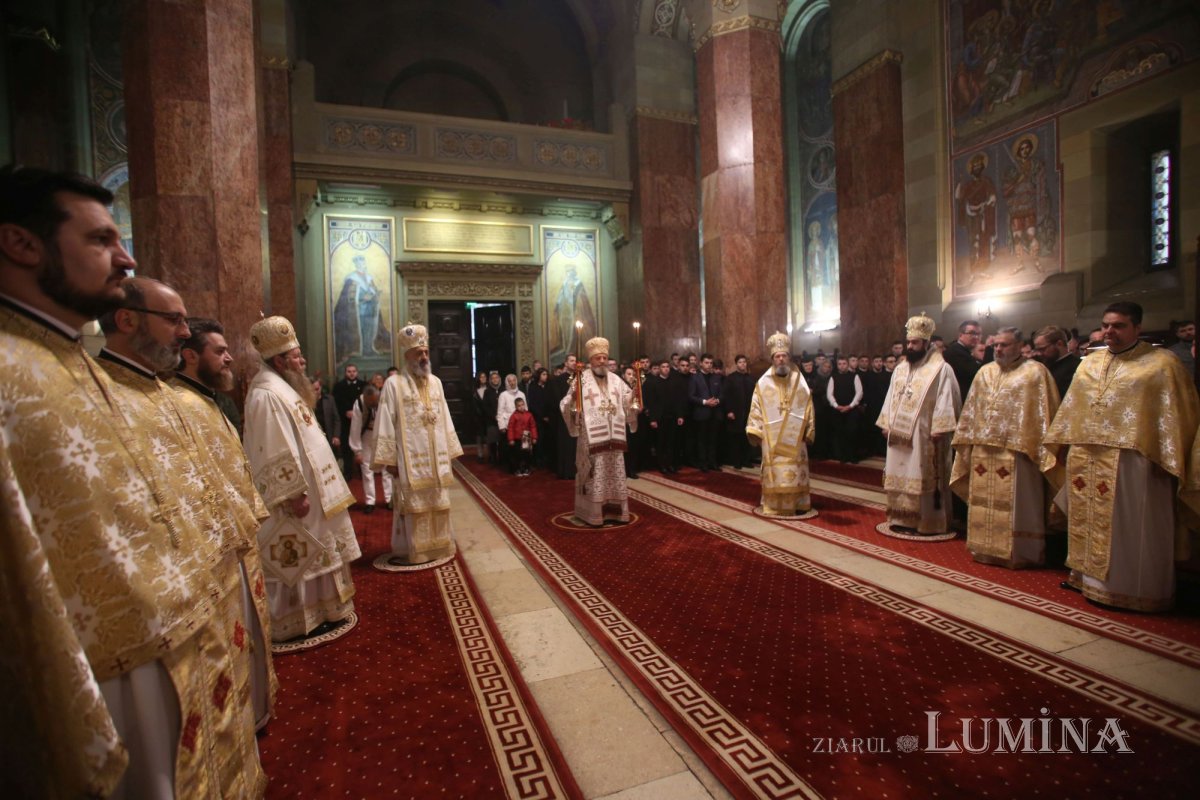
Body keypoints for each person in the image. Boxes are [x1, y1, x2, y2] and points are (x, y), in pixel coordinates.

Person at [0, 166, 262, 796]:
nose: (125, 259)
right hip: (97, 660)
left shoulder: (72, 363)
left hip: (168, 633)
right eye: (100, 241)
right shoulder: (12, 375)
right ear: (22, 244)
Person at [1044, 302, 1200, 611]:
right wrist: (1061, 445)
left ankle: (1135, 589)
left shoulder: (1162, 364)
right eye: (1106, 325)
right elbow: (1072, 408)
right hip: (1087, 457)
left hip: (1137, 461)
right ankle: (1087, 580)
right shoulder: (1089, 363)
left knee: (1130, 526)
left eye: (1118, 326)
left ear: (1137, 328)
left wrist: (1171, 457)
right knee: (1087, 521)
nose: (1109, 331)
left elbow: (1179, 417)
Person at [174, 316, 277, 729]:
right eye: (220, 351)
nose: (230, 357)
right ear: (190, 356)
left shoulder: (215, 401)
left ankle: (252, 710)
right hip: (214, 546)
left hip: (236, 537)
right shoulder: (180, 405)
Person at [244, 315, 361, 640]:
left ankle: (324, 609)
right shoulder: (268, 393)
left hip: (316, 493)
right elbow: (275, 448)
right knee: (301, 556)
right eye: (296, 355)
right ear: (279, 360)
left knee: (318, 552)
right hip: (297, 499)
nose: (302, 359)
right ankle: (298, 620)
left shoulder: (285, 387)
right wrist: (294, 493)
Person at [950, 327, 1061, 568]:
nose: (998, 349)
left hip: (1019, 452)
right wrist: (967, 440)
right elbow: (971, 410)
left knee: (1018, 505)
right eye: (996, 345)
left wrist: (1040, 449)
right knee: (982, 502)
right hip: (982, 449)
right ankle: (983, 548)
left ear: (1020, 345)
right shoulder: (984, 372)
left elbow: (1045, 414)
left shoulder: (1035, 373)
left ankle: (1022, 553)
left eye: (1005, 345)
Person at [373, 323, 464, 565]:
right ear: (407, 356)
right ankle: (415, 551)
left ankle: (441, 547)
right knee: (414, 506)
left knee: (438, 501)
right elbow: (385, 421)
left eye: (426, 352)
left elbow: (444, 415)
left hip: (436, 459)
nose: (424, 357)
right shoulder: (394, 384)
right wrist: (389, 459)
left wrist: (451, 450)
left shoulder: (436, 382)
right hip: (409, 460)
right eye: (418, 353)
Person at [878, 313, 962, 535]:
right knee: (899, 474)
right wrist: (886, 423)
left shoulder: (941, 369)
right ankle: (900, 517)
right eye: (909, 342)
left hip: (923, 434)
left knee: (922, 475)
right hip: (898, 436)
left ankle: (926, 522)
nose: (910, 346)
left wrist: (940, 428)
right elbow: (891, 396)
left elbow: (947, 399)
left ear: (926, 343)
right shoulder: (900, 369)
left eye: (915, 342)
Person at [560, 337, 638, 526]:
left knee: (614, 473)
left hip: (615, 437)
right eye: (598, 358)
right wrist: (574, 406)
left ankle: (617, 513)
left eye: (605, 357)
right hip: (592, 439)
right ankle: (593, 514)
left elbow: (629, 402)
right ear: (590, 360)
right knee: (595, 475)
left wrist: (636, 392)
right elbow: (565, 403)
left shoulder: (616, 379)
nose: (602, 361)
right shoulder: (581, 379)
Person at [746, 332, 816, 517]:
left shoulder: (798, 381)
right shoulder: (763, 383)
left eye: (784, 355)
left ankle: (799, 504)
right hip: (772, 440)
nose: (781, 359)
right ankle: (774, 505)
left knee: (795, 468)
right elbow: (756, 407)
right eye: (777, 356)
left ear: (789, 357)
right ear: (772, 359)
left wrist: (808, 428)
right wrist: (755, 430)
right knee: (775, 472)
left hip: (795, 437)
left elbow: (808, 404)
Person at [333, 253, 390, 362]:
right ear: (356, 264)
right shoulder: (351, 279)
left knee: (370, 330)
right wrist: (363, 297)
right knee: (362, 330)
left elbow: (373, 290)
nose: (361, 264)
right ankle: (359, 350)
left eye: (363, 261)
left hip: (370, 310)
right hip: (358, 312)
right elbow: (348, 297)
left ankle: (369, 348)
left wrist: (375, 295)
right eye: (359, 262)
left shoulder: (369, 278)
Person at [349, 383, 394, 512]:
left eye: (375, 402)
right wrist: (357, 450)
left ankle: (389, 499)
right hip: (367, 435)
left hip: (384, 434)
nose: (373, 405)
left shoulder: (385, 399)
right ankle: (370, 501)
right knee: (366, 468)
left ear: (378, 395)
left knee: (387, 466)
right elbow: (355, 427)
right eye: (370, 403)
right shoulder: (359, 402)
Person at [826, 354, 864, 463]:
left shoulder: (855, 376)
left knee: (852, 433)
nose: (842, 366)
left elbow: (859, 393)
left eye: (844, 364)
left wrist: (851, 406)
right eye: (839, 364)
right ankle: (842, 456)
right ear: (837, 366)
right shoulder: (833, 377)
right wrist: (836, 405)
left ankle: (852, 456)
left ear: (847, 364)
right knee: (840, 434)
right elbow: (829, 394)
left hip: (852, 410)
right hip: (838, 410)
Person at [721, 354, 756, 469]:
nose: (743, 364)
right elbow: (726, 396)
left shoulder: (750, 378)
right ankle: (736, 461)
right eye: (740, 362)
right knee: (735, 438)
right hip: (735, 413)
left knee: (746, 437)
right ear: (736, 364)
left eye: (744, 362)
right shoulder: (730, 378)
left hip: (748, 412)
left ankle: (746, 460)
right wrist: (729, 411)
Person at [689, 352, 722, 471]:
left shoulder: (716, 377)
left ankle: (712, 462)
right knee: (701, 440)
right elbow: (691, 396)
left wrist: (717, 401)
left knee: (713, 440)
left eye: (711, 363)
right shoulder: (695, 377)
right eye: (706, 363)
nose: (709, 365)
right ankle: (703, 463)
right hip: (701, 413)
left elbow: (722, 394)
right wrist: (704, 402)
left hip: (715, 413)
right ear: (701, 363)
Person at [333, 363, 366, 480]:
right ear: (345, 373)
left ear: (357, 372)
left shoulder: (364, 386)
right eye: (349, 371)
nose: (351, 373)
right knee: (347, 449)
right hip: (345, 422)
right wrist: (345, 412)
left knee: (362, 447)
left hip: (361, 423)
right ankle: (348, 472)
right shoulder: (338, 386)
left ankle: (363, 472)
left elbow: (367, 403)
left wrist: (357, 413)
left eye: (353, 371)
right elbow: (336, 404)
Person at [549, 356, 578, 479]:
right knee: (565, 444)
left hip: (577, 417)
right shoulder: (558, 380)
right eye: (571, 361)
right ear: (566, 363)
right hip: (563, 417)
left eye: (575, 361)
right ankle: (565, 471)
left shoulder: (580, 379)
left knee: (577, 445)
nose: (574, 363)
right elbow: (557, 399)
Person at [1031, 324, 1080, 399]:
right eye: (1038, 350)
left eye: (1043, 349)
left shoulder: (1077, 367)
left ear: (1059, 344)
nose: (1039, 353)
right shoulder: (1045, 366)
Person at [943, 319, 984, 401]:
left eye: (979, 334)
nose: (976, 337)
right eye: (972, 333)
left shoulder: (966, 351)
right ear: (961, 335)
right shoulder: (955, 351)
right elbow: (978, 375)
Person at [496, 372, 526, 473]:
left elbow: (525, 409)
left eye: (514, 380)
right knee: (511, 448)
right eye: (510, 381)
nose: (512, 383)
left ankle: (523, 467)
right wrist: (502, 426)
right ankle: (512, 468)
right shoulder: (503, 395)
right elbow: (500, 412)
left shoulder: (521, 394)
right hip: (509, 425)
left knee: (522, 448)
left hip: (521, 425)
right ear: (507, 382)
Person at [507, 396, 538, 476]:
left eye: (522, 405)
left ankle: (526, 468)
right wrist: (511, 439)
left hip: (526, 438)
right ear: (516, 407)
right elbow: (510, 428)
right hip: (517, 439)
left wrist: (534, 437)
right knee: (517, 455)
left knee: (526, 455)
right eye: (519, 406)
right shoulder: (513, 416)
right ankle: (517, 469)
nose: (521, 407)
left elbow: (533, 426)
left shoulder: (529, 415)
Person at [313, 377, 341, 452]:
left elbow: (336, 419)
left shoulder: (329, 399)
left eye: (317, 389)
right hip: (314, 437)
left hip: (328, 435)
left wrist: (336, 436)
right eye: (312, 390)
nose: (315, 392)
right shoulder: (306, 401)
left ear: (321, 387)